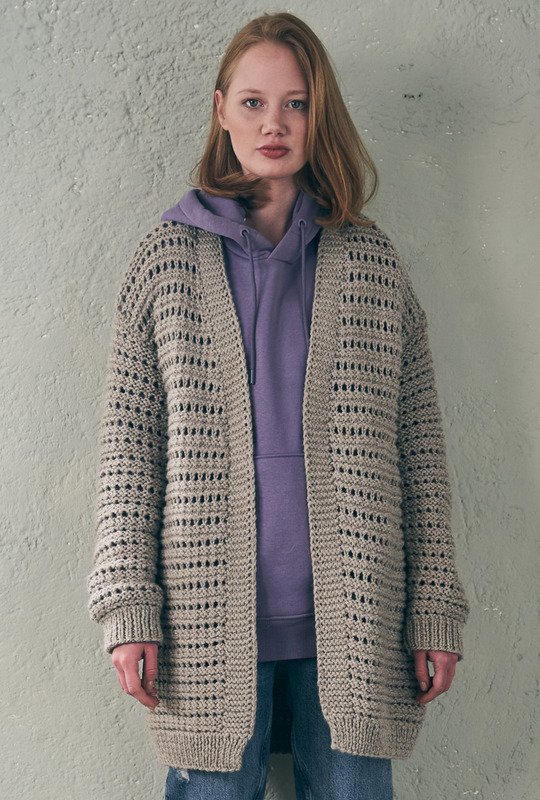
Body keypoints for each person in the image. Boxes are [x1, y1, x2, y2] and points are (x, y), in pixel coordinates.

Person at [86, 11, 470, 800]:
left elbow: (420, 451)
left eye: (297, 103)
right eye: (254, 102)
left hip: (356, 625)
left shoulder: (370, 263)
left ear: (319, 114)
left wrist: (434, 605)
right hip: (202, 626)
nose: (275, 123)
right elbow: (129, 449)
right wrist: (128, 607)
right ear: (221, 109)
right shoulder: (166, 261)